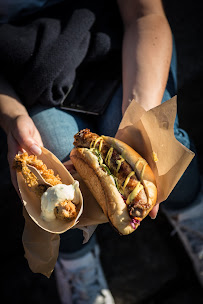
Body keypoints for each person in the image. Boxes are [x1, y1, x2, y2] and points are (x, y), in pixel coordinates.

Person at [0, 0, 201, 303]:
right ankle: (79, 267)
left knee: (162, 143)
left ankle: (193, 215)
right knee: (51, 183)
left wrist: (140, 116)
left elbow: (145, 13)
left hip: (119, 52)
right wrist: (13, 118)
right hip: (32, 84)